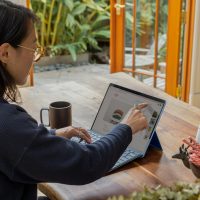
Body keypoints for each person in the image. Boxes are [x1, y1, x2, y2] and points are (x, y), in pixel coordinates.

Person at [0, 1, 148, 200]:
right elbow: (86, 163)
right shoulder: (7, 123)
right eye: (33, 47)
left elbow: (17, 147)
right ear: (5, 53)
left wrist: (50, 137)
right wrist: (127, 128)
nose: (35, 57)